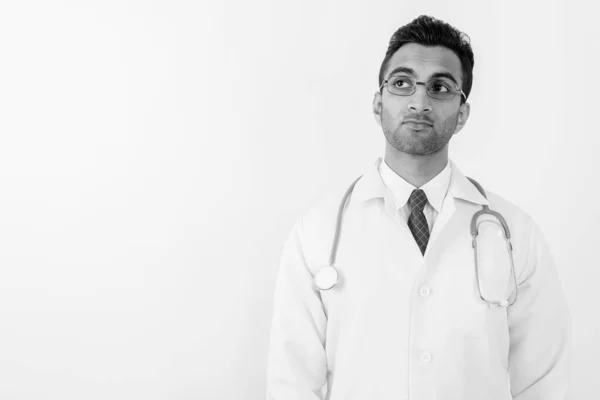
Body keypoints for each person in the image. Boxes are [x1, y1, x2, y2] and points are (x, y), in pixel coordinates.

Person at [265, 15, 571, 400]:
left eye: (440, 87)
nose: (419, 101)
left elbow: (545, 381)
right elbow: (292, 383)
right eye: (402, 83)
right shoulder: (318, 231)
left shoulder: (515, 232)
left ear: (462, 114)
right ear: (379, 104)